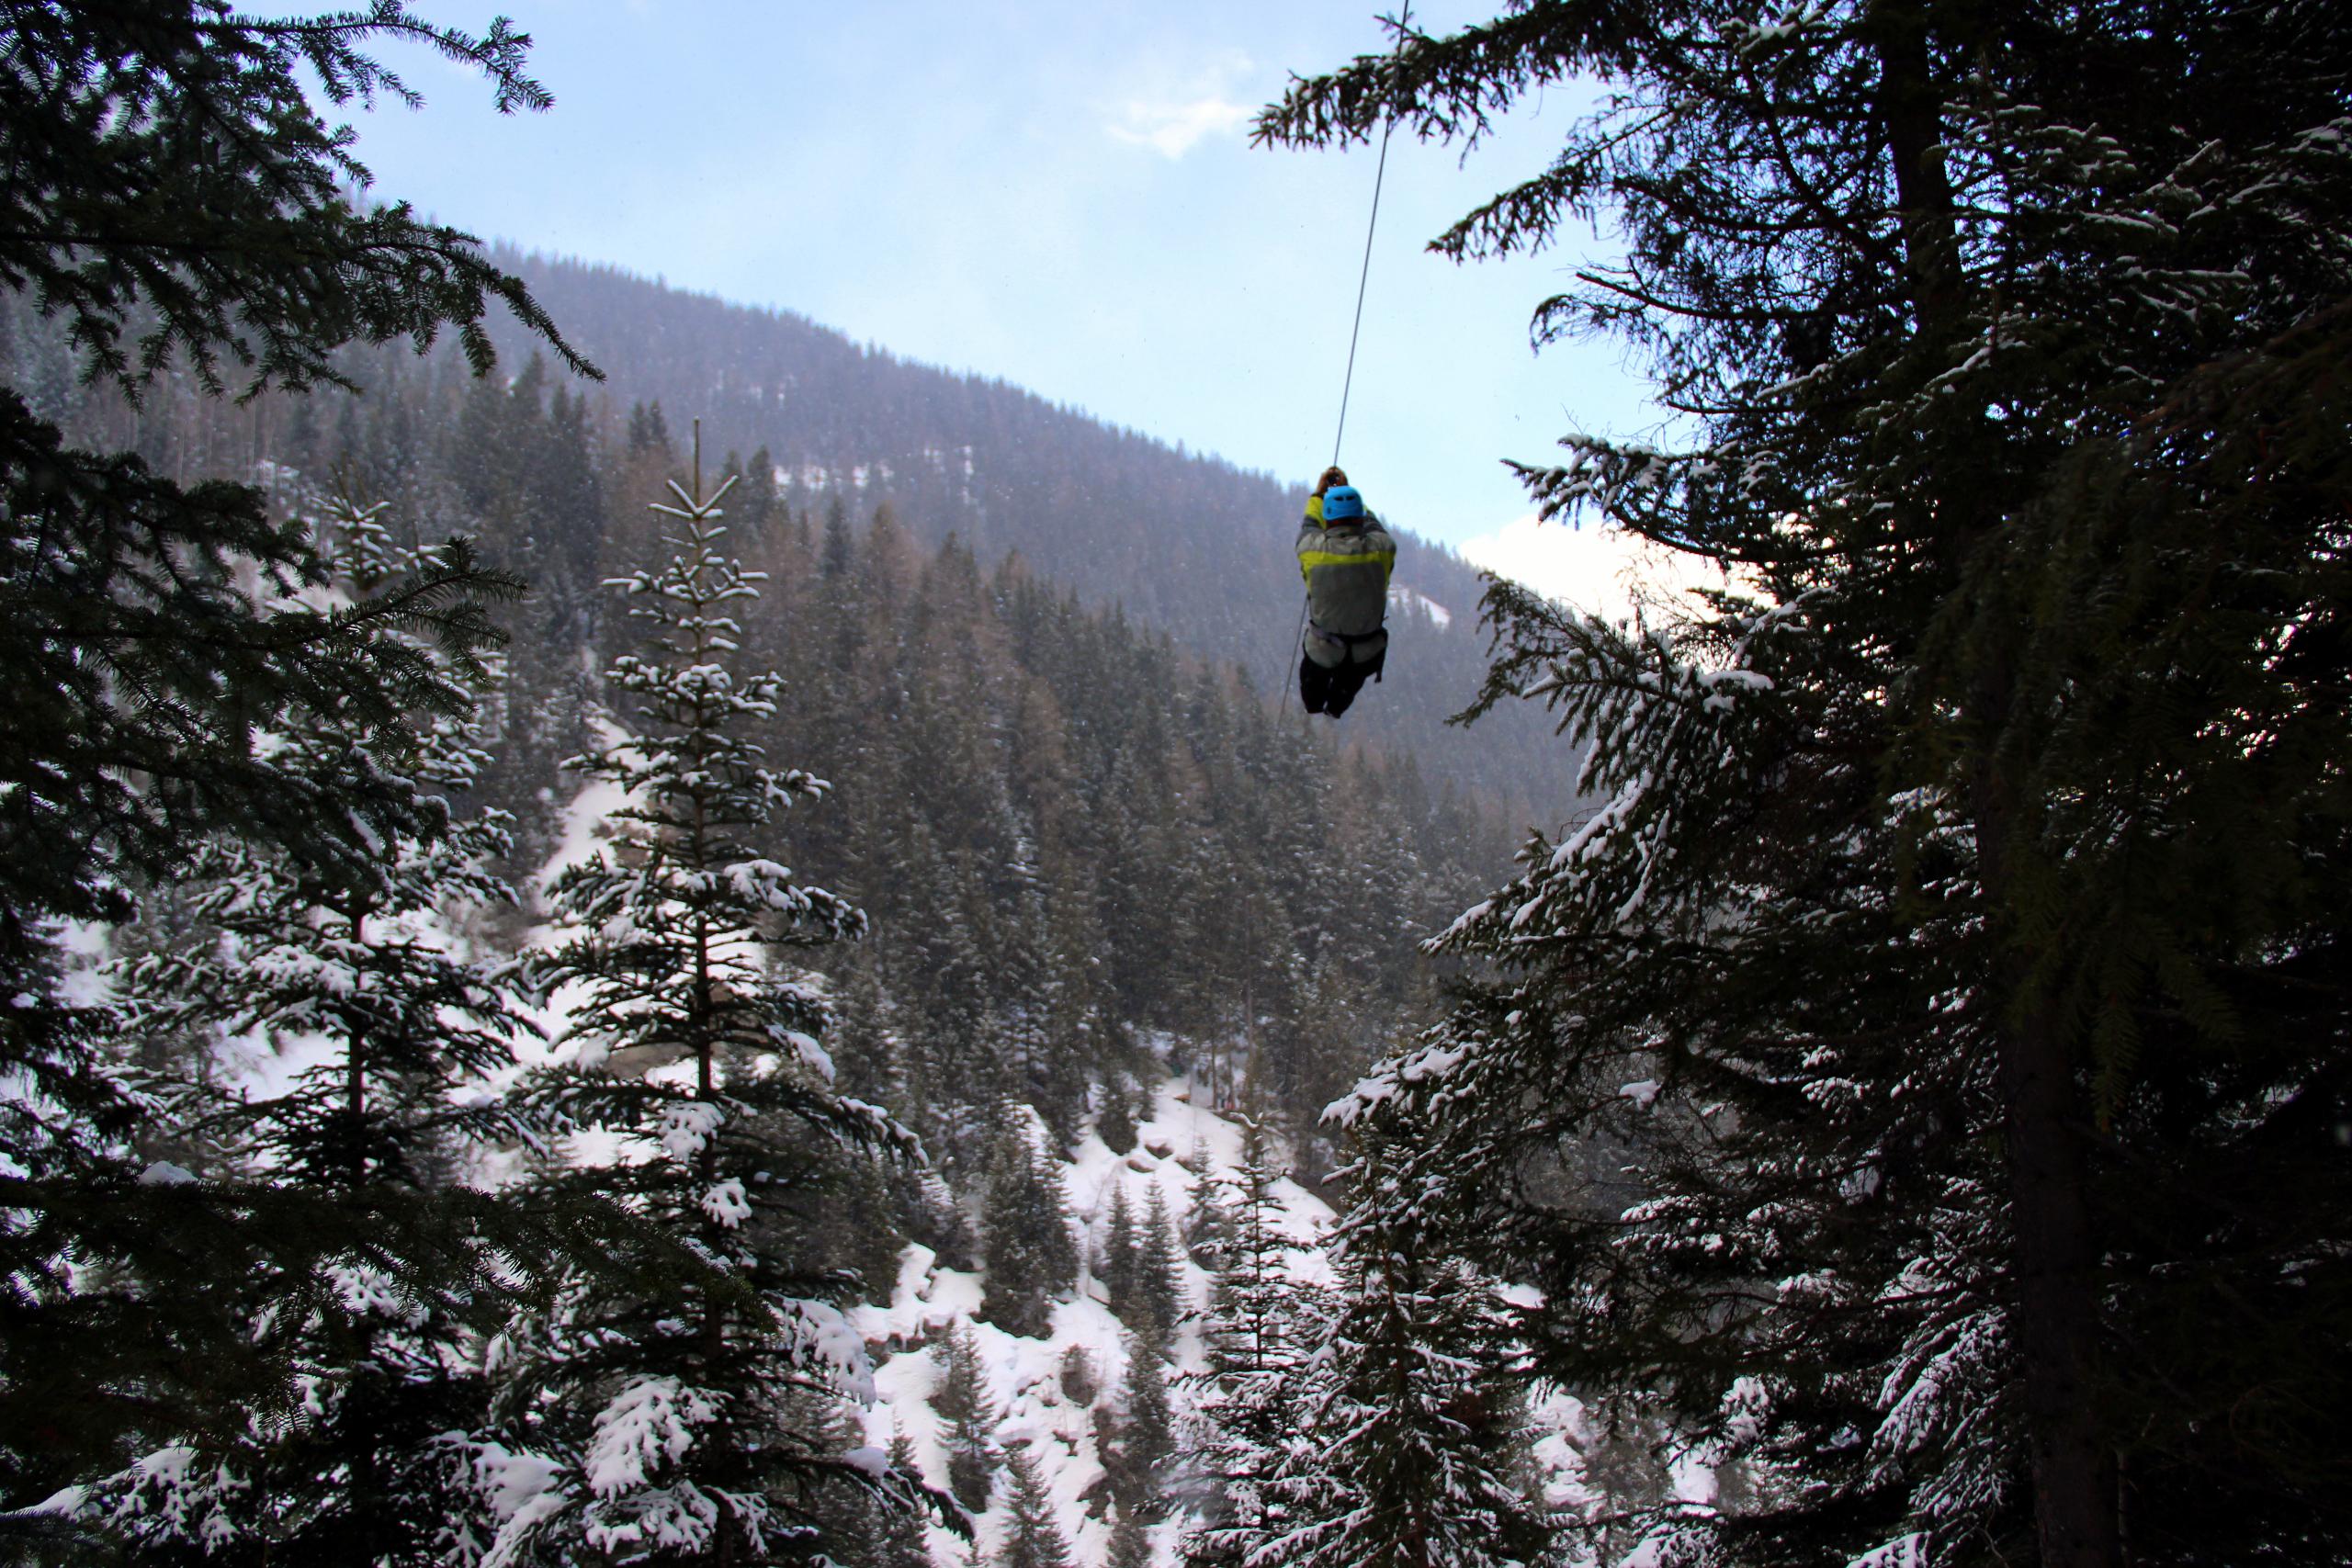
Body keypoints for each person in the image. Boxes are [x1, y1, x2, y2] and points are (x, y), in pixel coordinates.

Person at [1295, 466, 1396, 716]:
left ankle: (1320, 709)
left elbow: (1309, 525)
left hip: (1324, 649)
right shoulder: (1380, 550)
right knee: (1345, 693)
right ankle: (1334, 711)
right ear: (1358, 517)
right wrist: (1348, 493)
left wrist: (1319, 496)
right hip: (1365, 650)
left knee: (1312, 700)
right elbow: (1373, 525)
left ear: (1328, 518)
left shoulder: (1313, 551)